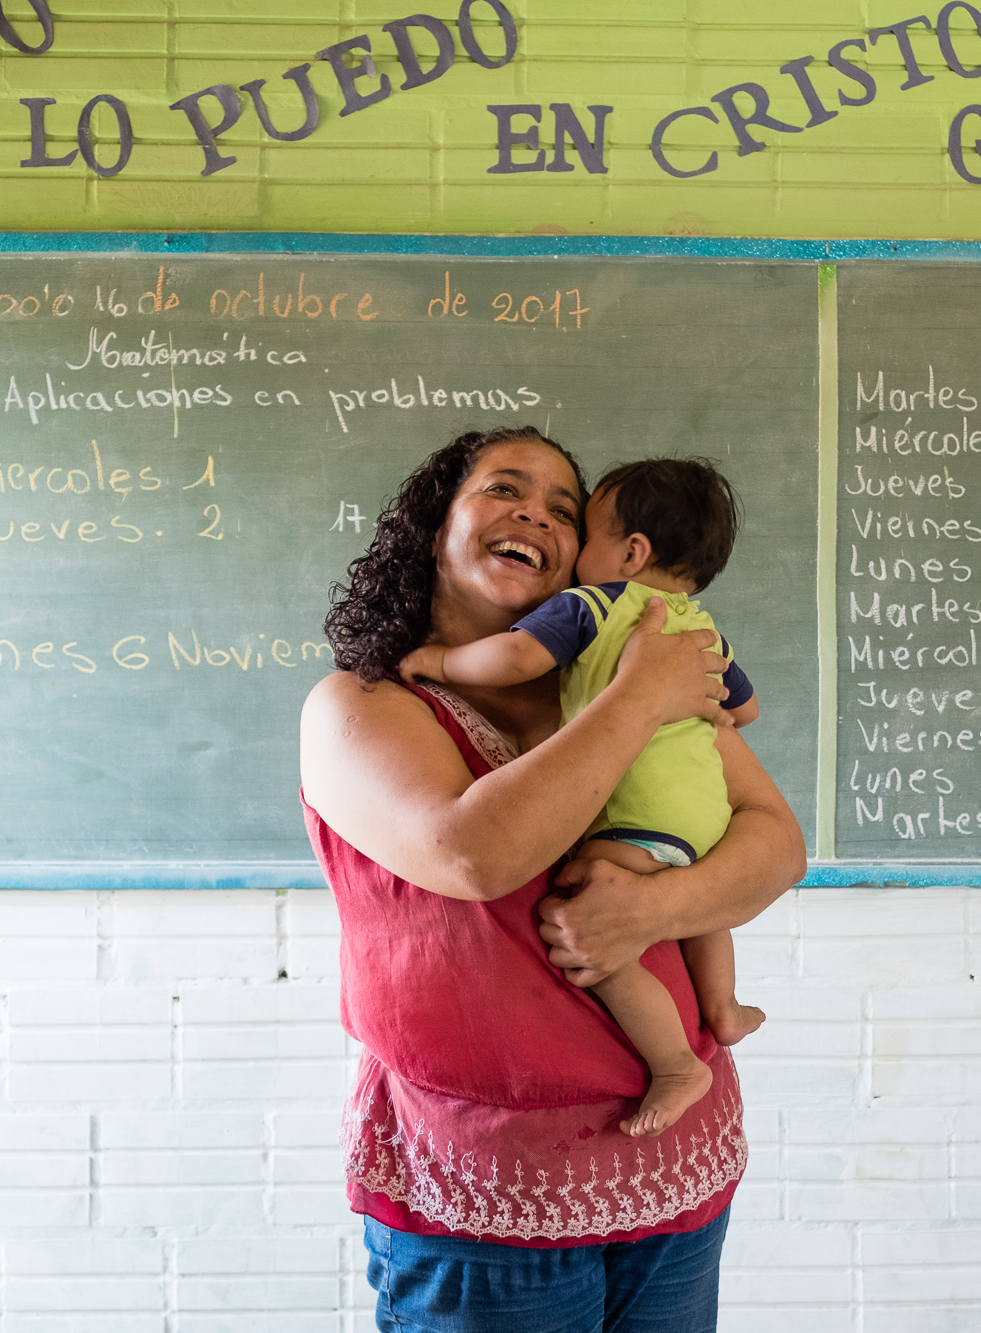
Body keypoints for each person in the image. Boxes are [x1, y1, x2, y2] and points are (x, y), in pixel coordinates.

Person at [299, 426, 805, 1333]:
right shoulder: (362, 706)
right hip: (488, 1190)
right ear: (434, 530)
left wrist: (651, 907)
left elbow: (774, 846)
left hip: (671, 1169)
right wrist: (642, 696)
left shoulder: (618, 664)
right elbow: (474, 853)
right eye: (504, 488)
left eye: (566, 508)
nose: (537, 510)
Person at [400, 457, 766, 1141]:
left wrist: (438, 663)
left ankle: (676, 1062)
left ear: (629, 552)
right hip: (701, 811)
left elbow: (511, 658)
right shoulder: (699, 631)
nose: (541, 518)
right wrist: (699, 715)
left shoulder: (592, 607)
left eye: (575, 520)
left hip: (639, 813)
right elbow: (744, 708)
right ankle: (723, 1005)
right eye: (505, 489)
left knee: (586, 921)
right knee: (697, 898)